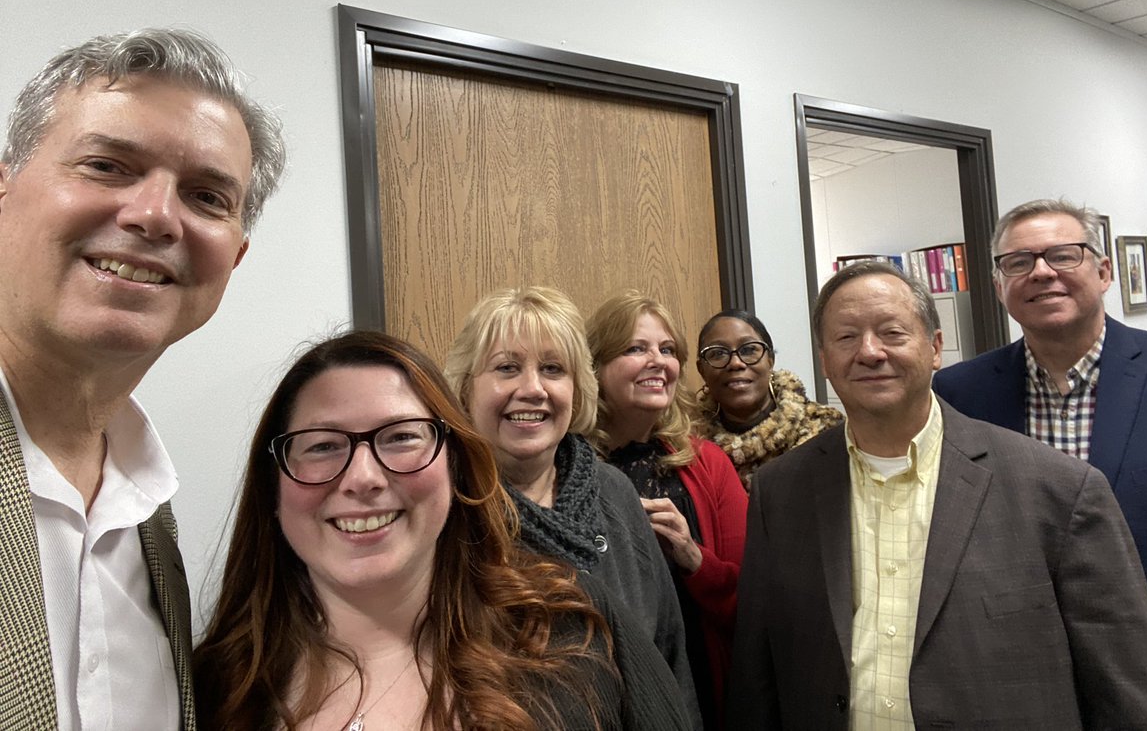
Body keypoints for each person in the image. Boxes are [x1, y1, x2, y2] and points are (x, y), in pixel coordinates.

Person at [729, 261, 1147, 730]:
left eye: (893, 332)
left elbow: (1132, 694)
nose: (869, 351)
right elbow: (757, 677)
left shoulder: (1059, 491)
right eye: (846, 338)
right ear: (824, 360)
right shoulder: (781, 491)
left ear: (936, 347)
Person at [0, 29, 285, 730]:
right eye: (106, 165)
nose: (157, 217)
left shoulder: (150, 517)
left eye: (207, 197)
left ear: (234, 259)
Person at [195, 330, 691, 731]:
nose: (363, 478)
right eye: (322, 446)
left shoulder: (576, 628)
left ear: (455, 467)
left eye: (402, 437)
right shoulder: (209, 689)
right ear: (274, 486)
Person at [932, 197, 1147, 728]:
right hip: (1020, 684)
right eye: (1019, 262)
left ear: (1103, 272)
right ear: (998, 285)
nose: (1042, 273)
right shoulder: (956, 394)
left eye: (1063, 255)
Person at [444, 287, 700, 727]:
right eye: (507, 367)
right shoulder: (446, 507)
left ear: (577, 389)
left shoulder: (614, 492)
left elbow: (669, 654)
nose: (532, 389)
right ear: (466, 388)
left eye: (552, 369)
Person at [587, 291, 747, 730]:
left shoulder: (708, 463)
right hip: (601, 694)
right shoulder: (567, 469)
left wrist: (693, 557)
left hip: (702, 686)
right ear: (595, 368)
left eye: (667, 349)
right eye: (635, 348)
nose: (657, 361)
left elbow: (754, 601)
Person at [694, 309, 842, 492]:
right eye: (718, 353)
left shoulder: (825, 430)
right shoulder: (687, 447)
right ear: (701, 369)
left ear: (770, 360)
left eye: (748, 350)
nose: (735, 363)